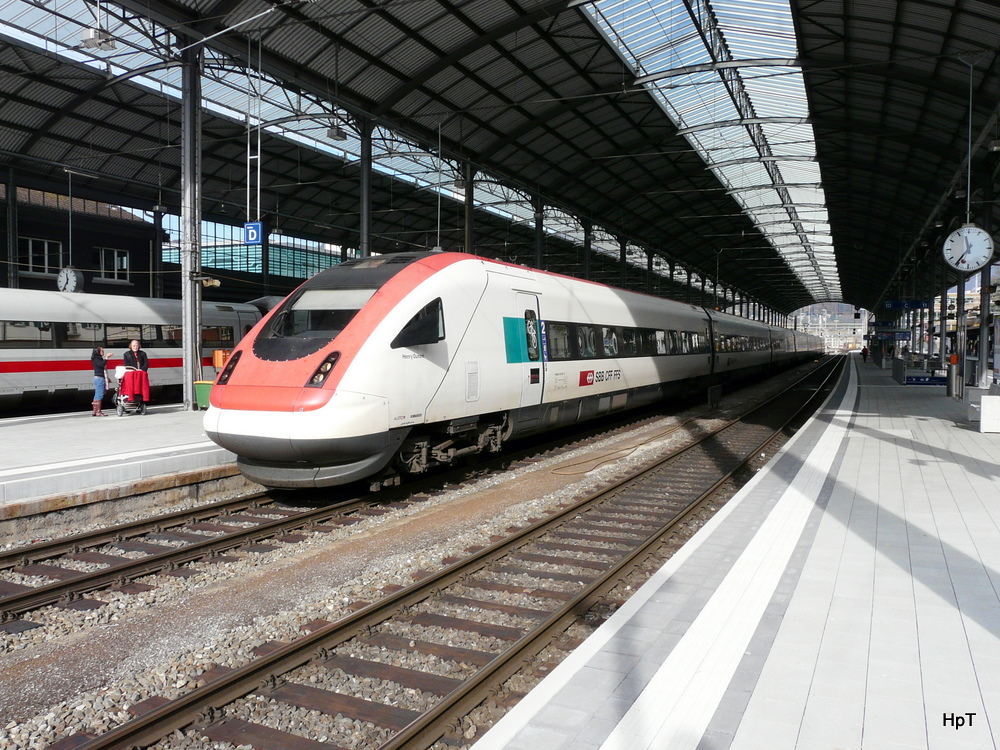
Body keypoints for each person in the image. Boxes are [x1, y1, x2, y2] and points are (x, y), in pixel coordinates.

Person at [90, 346, 111, 416]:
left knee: (97, 395)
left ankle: (94, 411)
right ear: (97, 352)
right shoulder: (97, 359)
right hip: (99, 379)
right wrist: (107, 357)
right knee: (99, 395)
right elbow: (102, 365)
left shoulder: (96, 359)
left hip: (98, 378)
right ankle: (98, 411)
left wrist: (107, 378)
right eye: (101, 350)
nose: (103, 351)